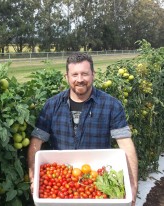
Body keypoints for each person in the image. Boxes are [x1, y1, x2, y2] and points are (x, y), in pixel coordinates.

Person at [27, 52, 138, 205]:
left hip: (97, 185)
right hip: (62, 185)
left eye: (85, 74)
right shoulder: (52, 105)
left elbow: (125, 144)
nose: (80, 80)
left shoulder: (111, 105)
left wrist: (132, 183)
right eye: (74, 75)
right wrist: (33, 175)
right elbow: (36, 141)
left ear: (93, 75)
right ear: (67, 77)